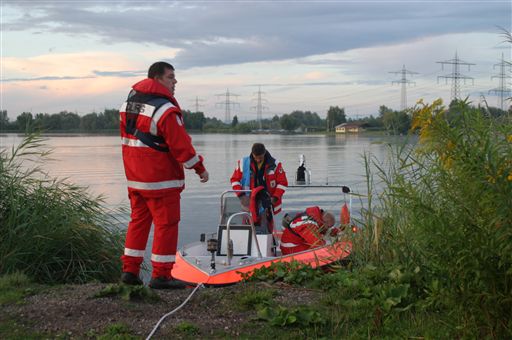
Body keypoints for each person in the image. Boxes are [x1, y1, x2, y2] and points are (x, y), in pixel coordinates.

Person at [119, 61, 209, 289]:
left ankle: (129, 271)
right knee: (166, 225)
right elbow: (182, 148)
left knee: (138, 223)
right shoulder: (165, 110)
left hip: (135, 179)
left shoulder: (127, 106)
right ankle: (161, 276)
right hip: (161, 180)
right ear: (157, 78)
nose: (175, 81)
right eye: (171, 77)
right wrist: (200, 168)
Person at [230, 143, 288, 228]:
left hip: (268, 201)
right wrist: (241, 196)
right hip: (248, 200)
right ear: (252, 154)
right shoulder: (243, 163)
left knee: (267, 226)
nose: (257, 160)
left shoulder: (275, 164)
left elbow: (282, 183)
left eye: (260, 158)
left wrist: (275, 198)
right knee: (247, 225)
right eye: (255, 157)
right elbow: (234, 180)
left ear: (264, 153)